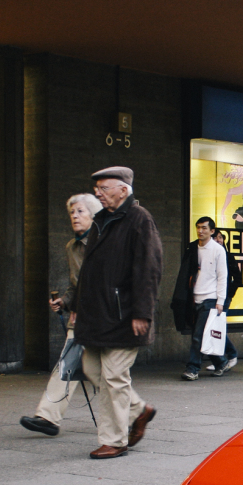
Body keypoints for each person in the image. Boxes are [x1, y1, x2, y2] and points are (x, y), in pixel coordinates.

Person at [73, 166, 161, 459]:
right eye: (96, 188)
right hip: (98, 315)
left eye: (104, 187)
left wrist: (142, 313)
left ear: (124, 190)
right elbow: (89, 271)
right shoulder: (101, 220)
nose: (98, 192)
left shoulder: (139, 219)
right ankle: (139, 410)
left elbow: (148, 269)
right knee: (93, 370)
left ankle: (115, 439)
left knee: (113, 375)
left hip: (124, 316)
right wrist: (74, 305)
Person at [20, 193, 102, 436]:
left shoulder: (104, 245)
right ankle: (48, 417)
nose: (75, 217)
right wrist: (64, 301)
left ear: (93, 216)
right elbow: (75, 285)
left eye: (80, 212)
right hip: (81, 320)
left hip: (103, 318)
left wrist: (79, 305)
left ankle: (135, 412)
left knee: (105, 371)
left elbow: (101, 285)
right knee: (67, 365)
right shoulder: (71, 246)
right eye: (72, 213)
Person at [178, 216, 229, 381]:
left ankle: (193, 368)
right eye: (198, 227)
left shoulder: (218, 250)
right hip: (194, 298)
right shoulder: (193, 248)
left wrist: (220, 301)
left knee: (198, 335)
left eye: (204, 228)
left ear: (212, 231)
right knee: (203, 335)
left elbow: (223, 276)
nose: (200, 231)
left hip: (210, 299)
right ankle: (220, 362)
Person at [203, 227, 241, 375]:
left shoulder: (228, 256)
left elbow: (237, 278)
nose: (219, 240)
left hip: (222, 297)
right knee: (212, 327)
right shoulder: (210, 254)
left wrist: (228, 294)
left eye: (221, 237)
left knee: (216, 327)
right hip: (211, 295)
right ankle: (218, 358)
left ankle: (230, 354)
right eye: (216, 237)